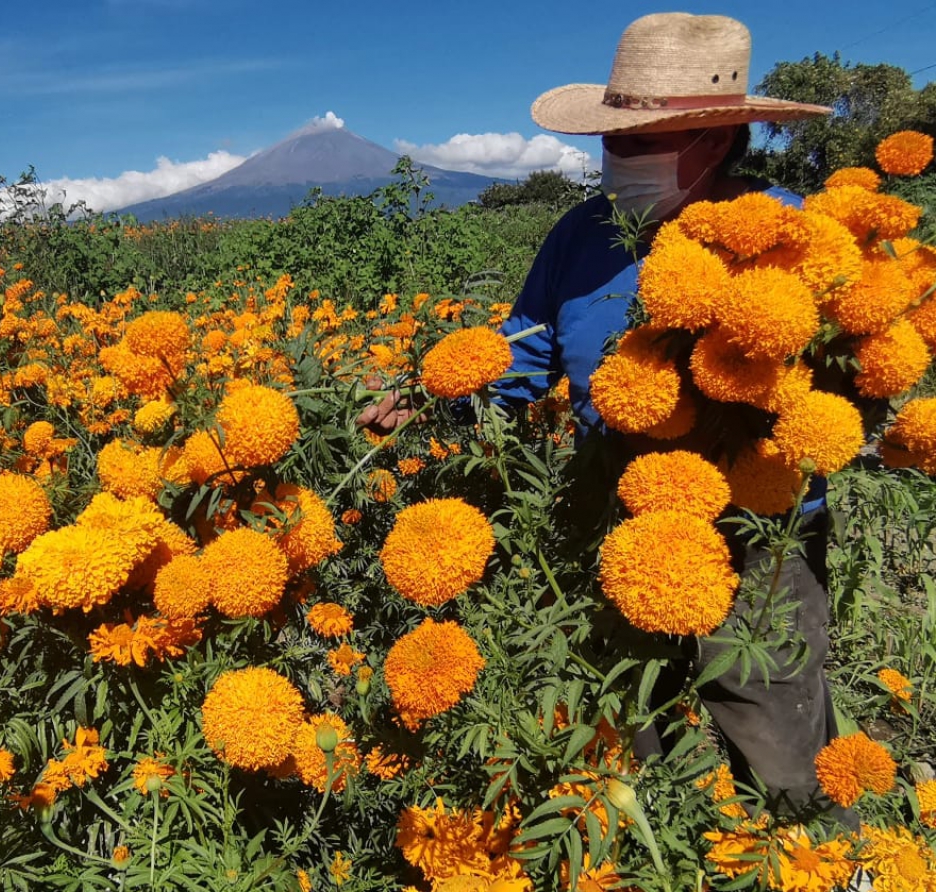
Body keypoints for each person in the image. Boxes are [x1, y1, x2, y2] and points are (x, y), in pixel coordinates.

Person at [359, 12, 861, 830]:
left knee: (776, 725)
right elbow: (523, 352)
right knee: (640, 722)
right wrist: (432, 393)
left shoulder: (786, 236)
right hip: (618, 511)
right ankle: (674, 858)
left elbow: (843, 390)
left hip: (758, 530)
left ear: (712, 139)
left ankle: (834, 866)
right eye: (613, 139)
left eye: (636, 141)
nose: (615, 157)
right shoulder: (580, 234)